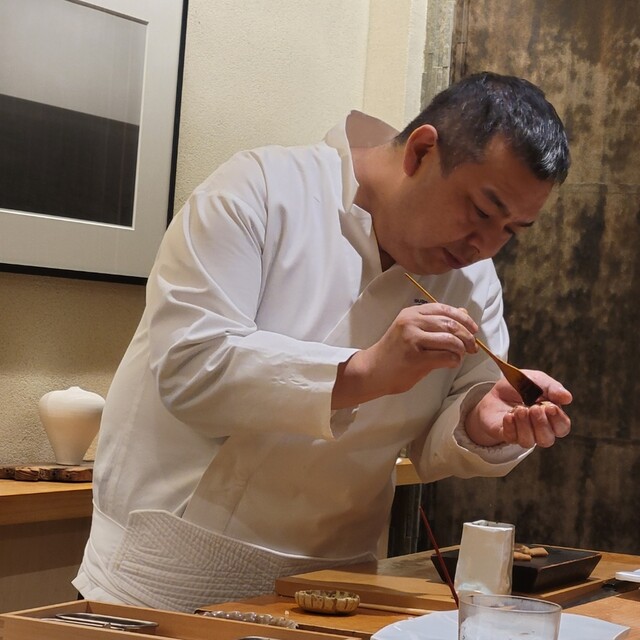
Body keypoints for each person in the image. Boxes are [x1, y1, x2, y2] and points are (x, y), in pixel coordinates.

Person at [74, 71, 572, 612]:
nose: (486, 245)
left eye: (511, 231)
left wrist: (479, 420)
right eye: (481, 211)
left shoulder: (473, 281)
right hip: (163, 574)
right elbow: (191, 367)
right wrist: (363, 373)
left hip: (338, 586)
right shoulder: (261, 190)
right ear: (422, 151)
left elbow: (434, 442)